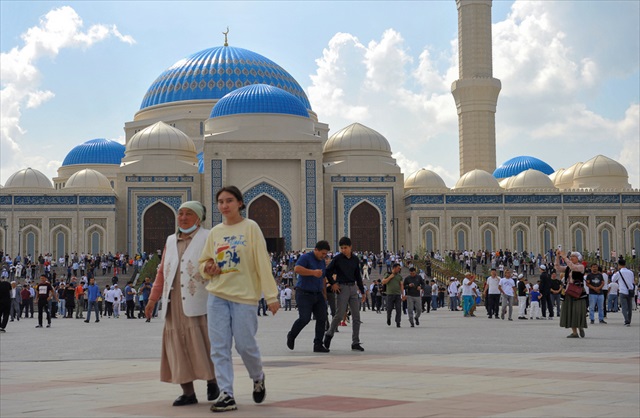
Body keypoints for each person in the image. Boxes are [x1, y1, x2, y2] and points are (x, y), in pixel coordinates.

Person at [199, 187, 280, 413]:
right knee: (219, 347)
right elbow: (204, 261)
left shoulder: (251, 228)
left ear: (240, 203)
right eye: (221, 201)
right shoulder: (215, 232)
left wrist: (271, 295)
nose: (224, 205)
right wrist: (208, 267)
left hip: (244, 297)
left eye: (229, 201)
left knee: (245, 345)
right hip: (217, 295)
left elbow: (262, 261)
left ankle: (258, 376)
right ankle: (226, 394)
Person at [145, 201, 219, 407]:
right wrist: (152, 299)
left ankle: (213, 380)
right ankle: (188, 392)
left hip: (200, 302)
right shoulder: (171, 240)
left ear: (199, 218)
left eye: (189, 214)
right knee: (177, 348)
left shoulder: (208, 237)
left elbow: (218, 265)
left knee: (204, 344)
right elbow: (162, 272)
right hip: (174, 304)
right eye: (180, 213)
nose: (183, 218)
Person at [322, 236, 366, 351]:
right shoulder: (338, 259)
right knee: (340, 314)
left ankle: (355, 342)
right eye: (341, 248)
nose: (343, 250)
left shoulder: (355, 259)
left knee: (356, 316)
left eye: (345, 248)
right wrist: (333, 283)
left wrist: (362, 291)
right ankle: (329, 334)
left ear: (350, 247)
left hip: (353, 288)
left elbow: (357, 275)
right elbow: (327, 271)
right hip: (342, 288)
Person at [287, 240, 331, 353]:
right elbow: (297, 269)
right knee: (304, 318)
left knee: (322, 318)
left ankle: (318, 344)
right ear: (316, 250)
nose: (324, 256)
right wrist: (313, 272)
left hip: (318, 294)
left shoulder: (322, 261)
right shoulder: (306, 257)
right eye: (322, 253)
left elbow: (323, 278)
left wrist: (324, 294)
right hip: (304, 293)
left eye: (326, 254)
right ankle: (292, 335)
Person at [557, 251, 587, 338]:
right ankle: (574, 332)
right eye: (571, 256)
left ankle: (580, 326)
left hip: (578, 292)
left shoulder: (580, 267)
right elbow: (558, 268)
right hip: (568, 291)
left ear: (578, 258)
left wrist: (565, 258)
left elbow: (573, 267)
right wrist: (557, 257)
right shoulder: (568, 268)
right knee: (570, 311)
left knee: (577, 310)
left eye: (574, 256)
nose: (571, 258)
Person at [611, 259, 635, 327]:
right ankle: (629, 320)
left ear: (619, 265)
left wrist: (615, 272)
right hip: (630, 291)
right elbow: (632, 281)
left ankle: (626, 321)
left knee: (624, 307)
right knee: (629, 307)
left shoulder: (619, 273)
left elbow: (613, 280)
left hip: (622, 291)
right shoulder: (631, 272)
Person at [382, 263, 404, 328]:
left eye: (399, 268)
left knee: (398, 309)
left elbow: (401, 285)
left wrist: (403, 294)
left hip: (397, 294)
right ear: (394, 268)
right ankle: (388, 318)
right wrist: (390, 277)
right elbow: (383, 282)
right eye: (398, 268)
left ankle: (398, 322)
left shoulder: (399, 276)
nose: (399, 269)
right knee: (389, 308)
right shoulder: (388, 274)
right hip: (390, 294)